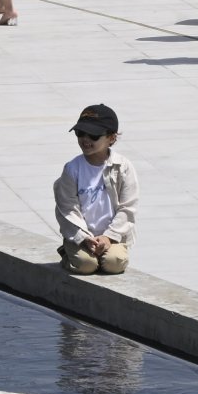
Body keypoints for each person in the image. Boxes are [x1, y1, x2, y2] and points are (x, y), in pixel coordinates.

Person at [53, 103, 138, 275]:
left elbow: (127, 208)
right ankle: (67, 253)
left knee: (114, 263)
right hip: (80, 235)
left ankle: (107, 249)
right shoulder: (72, 169)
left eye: (93, 135)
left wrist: (109, 236)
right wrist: (83, 238)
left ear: (111, 138)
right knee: (86, 265)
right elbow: (67, 209)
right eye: (80, 133)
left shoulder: (123, 167)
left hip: (114, 236)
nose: (85, 139)